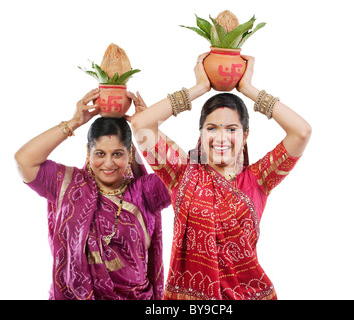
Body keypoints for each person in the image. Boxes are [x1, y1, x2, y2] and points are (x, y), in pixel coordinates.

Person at [130, 53, 312, 300]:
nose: (221, 137)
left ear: (245, 135)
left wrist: (248, 88)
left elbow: (301, 132)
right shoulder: (182, 174)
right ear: (201, 133)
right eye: (212, 128)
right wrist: (199, 87)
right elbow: (141, 124)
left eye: (232, 129)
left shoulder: (259, 180)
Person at [14, 89, 171, 300]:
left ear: (130, 153)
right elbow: (24, 160)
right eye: (100, 153)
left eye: (117, 154)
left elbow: (189, 173)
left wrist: (148, 129)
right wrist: (75, 122)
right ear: (88, 153)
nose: (108, 163)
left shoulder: (145, 192)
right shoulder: (66, 184)